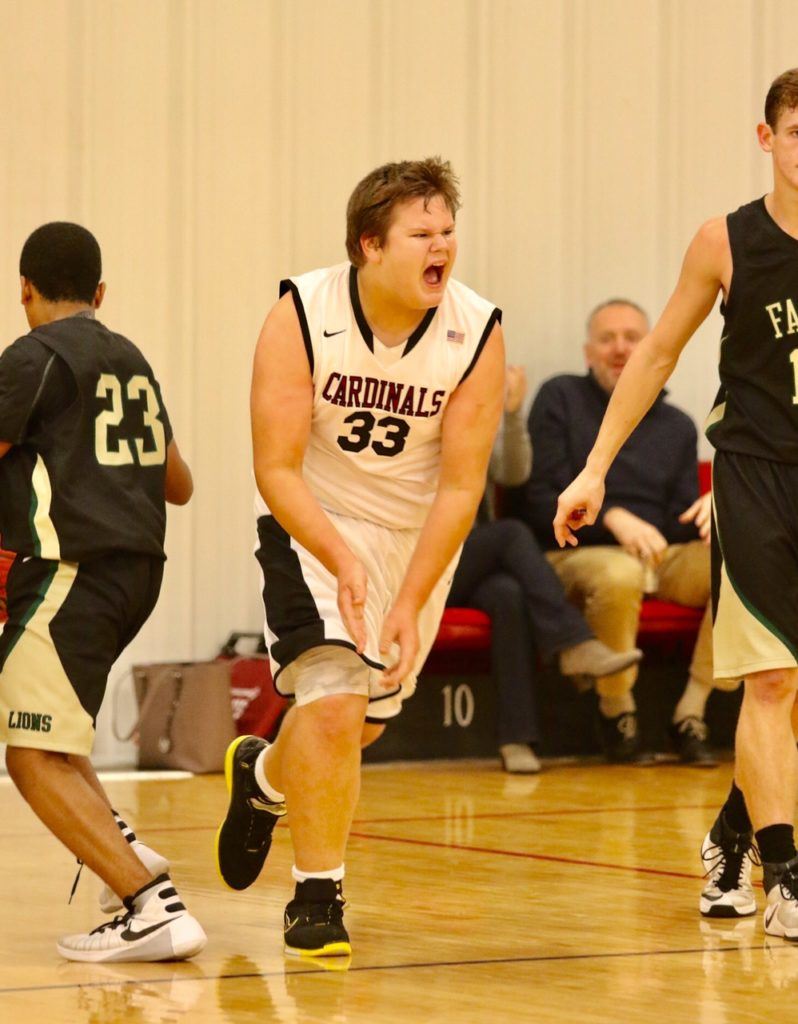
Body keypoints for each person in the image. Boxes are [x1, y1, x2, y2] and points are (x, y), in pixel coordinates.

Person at [215, 158, 506, 957]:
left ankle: (266, 780)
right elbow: (274, 467)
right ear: (369, 246)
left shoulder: (475, 331)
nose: (441, 246)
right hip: (313, 519)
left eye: (448, 232)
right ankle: (318, 896)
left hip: (415, 538)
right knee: (336, 703)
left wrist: (407, 600)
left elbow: (460, 488)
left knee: (356, 730)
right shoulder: (301, 313)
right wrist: (339, 558)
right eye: (422, 234)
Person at [554, 68, 798, 938]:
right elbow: (654, 357)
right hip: (756, 475)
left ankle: (731, 839)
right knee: (771, 680)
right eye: (796, 130)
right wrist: (593, 469)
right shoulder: (726, 241)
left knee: (792, 696)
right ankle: (788, 879)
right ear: (765, 138)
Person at [0, 222, 205, 962]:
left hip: (70, 570)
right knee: (55, 736)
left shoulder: (31, 358)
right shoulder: (131, 359)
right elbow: (178, 484)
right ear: (100, 294)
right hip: (137, 570)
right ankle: (127, 856)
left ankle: (150, 909)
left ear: (23, 287)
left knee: (28, 753)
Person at [525, 298, 727, 765]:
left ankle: (691, 711)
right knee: (619, 574)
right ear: (587, 352)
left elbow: (676, 515)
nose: (620, 348)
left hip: (658, 554)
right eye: (607, 338)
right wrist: (611, 515)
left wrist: (707, 509)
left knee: (738, 563)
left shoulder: (676, 424)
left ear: (649, 347)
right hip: (574, 551)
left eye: (632, 338)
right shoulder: (559, 397)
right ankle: (617, 711)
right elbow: (537, 499)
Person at [447, 364, 642, 774]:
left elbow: (514, 474)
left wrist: (513, 413)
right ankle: (574, 643)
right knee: (512, 533)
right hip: (414, 566)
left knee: (508, 595)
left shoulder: (468, 424)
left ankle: (516, 738)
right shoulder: (403, 433)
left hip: (465, 564)